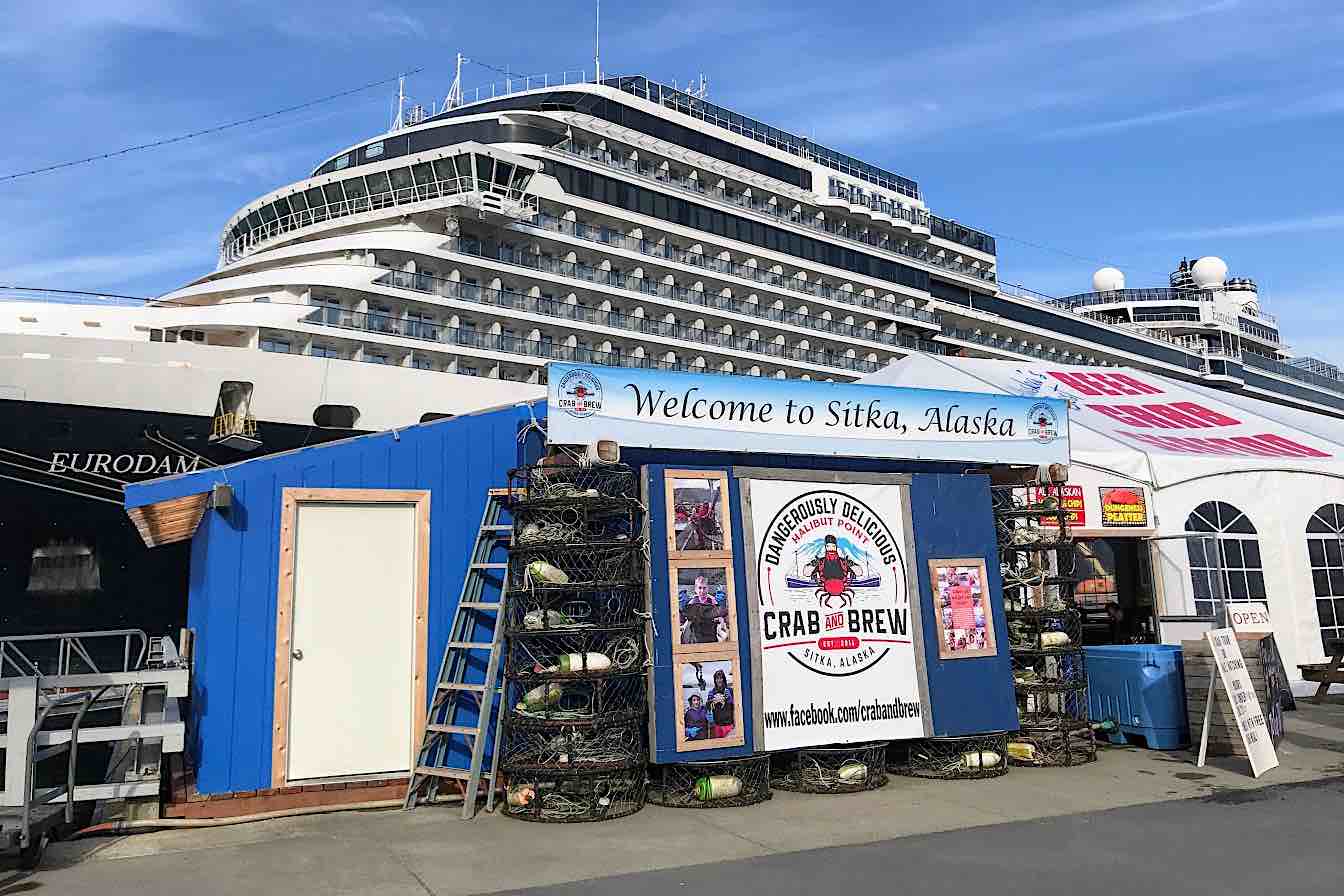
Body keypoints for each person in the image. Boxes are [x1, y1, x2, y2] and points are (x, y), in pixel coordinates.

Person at [681, 575, 729, 644]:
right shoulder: (692, 602)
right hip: (696, 635)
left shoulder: (713, 601)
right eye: (700, 588)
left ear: (708, 588)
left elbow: (721, 616)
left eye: (704, 588)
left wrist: (720, 617)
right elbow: (686, 619)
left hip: (710, 633)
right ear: (696, 589)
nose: (702, 591)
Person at [707, 669, 735, 738]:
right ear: (715, 680)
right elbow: (708, 708)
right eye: (717, 678)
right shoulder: (712, 692)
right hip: (717, 725)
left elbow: (735, 706)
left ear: (724, 679)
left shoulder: (730, 690)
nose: (719, 680)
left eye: (721, 678)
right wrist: (710, 701)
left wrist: (730, 699)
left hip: (728, 724)